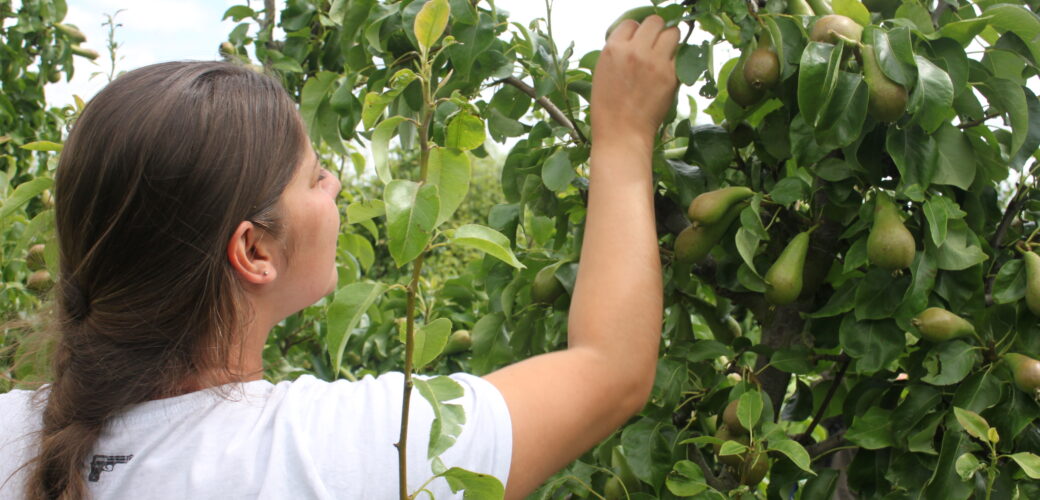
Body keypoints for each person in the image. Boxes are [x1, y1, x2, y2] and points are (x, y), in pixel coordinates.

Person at [0, 15, 679, 500]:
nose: (337, 185)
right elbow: (610, 369)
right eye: (315, 176)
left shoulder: (13, 435)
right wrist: (621, 136)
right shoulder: (343, 453)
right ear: (254, 250)